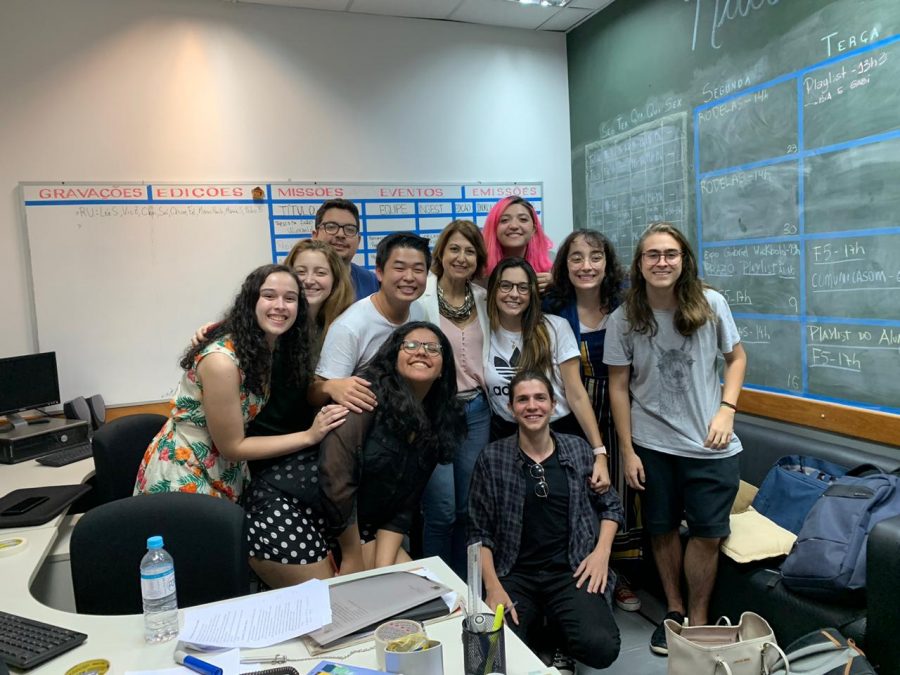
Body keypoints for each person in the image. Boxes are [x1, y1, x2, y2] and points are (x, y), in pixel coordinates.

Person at [604, 222, 747, 656]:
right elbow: (617, 386)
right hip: (651, 444)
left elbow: (736, 358)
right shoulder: (624, 317)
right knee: (662, 529)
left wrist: (727, 408)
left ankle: (697, 621)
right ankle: (673, 609)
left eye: (670, 254)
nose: (661, 262)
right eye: (652, 255)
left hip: (710, 443)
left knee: (707, 534)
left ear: (683, 259)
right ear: (640, 264)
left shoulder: (710, 303)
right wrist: (627, 451)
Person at [134, 264, 348, 501]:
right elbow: (232, 447)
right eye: (268, 296)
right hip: (185, 475)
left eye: (290, 298)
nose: (280, 305)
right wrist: (310, 435)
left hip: (225, 471)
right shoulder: (221, 362)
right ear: (251, 301)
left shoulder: (264, 347)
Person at [469, 370, 623, 672]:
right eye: (522, 399)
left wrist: (601, 553)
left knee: (602, 647)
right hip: (514, 573)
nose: (532, 406)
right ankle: (539, 630)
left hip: (570, 570)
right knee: (487, 657)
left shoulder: (578, 450)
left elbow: (611, 507)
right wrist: (493, 587)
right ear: (512, 408)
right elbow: (478, 534)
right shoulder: (492, 458)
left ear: (553, 405)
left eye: (540, 398)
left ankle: (553, 629)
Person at [242, 241, 354, 588]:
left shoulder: (340, 329)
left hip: (310, 459)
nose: (309, 280)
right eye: (300, 272)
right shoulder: (268, 333)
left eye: (320, 272)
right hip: (268, 463)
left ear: (335, 281)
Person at [543, 229, 643, 612]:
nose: (587, 266)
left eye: (596, 256)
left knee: (622, 492)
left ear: (608, 262)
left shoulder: (627, 300)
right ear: (564, 265)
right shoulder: (551, 304)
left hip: (623, 409)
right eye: (576, 257)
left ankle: (620, 574)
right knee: (581, 493)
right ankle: (582, 574)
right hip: (571, 415)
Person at [319, 322, 466, 573]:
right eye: (410, 345)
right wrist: (353, 557)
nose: (421, 352)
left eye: (433, 348)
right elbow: (336, 480)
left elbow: (402, 509)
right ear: (393, 358)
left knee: (424, 593)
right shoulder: (365, 395)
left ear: (444, 368)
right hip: (310, 512)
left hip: (361, 525)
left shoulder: (436, 424)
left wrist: (383, 572)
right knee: (350, 606)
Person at [483, 257, 611, 491]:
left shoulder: (555, 327)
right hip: (508, 436)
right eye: (506, 286)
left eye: (523, 287)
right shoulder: (483, 331)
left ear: (532, 293)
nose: (514, 294)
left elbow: (577, 394)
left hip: (560, 431)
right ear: (493, 290)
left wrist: (599, 452)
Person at [414, 219, 491, 579]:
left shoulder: (485, 298)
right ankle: (434, 583)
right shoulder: (421, 297)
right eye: (454, 249)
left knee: (466, 508)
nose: (462, 257)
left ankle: (464, 584)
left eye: (470, 251)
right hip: (434, 412)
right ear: (440, 254)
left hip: (477, 411)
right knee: (441, 508)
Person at [310, 232, 429, 413]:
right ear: (379, 273)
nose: (409, 277)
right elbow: (314, 393)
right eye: (399, 268)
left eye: (418, 270)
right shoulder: (350, 326)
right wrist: (331, 386)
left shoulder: (419, 310)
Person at [482, 196, 554, 292]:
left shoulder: (552, 262)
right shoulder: (480, 268)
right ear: (494, 228)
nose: (514, 226)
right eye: (504, 220)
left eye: (523, 219)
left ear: (533, 229)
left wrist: (557, 286)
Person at [311, 198, 379, 299]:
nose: (340, 234)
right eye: (331, 227)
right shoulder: (296, 281)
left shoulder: (372, 282)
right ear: (315, 236)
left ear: (359, 240)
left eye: (350, 229)